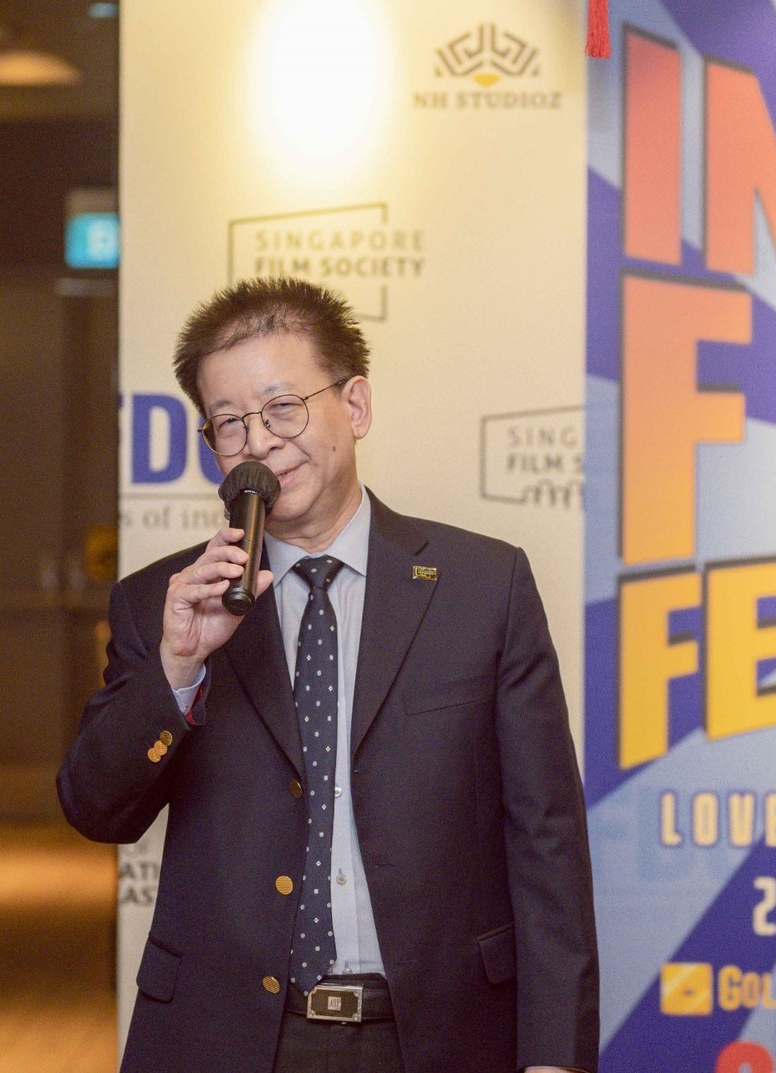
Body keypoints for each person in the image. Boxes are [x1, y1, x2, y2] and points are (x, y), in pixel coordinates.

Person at [58, 277, 598, 1073]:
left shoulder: (486, 588)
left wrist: (554, 1057)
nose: (260, 442)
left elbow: (546, 841)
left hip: (436, 1036)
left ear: (357, 407)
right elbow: (97, 809)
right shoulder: (163, 604)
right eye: (229, 423)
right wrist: (177, 667)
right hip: (227, 1038)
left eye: (283, 407)